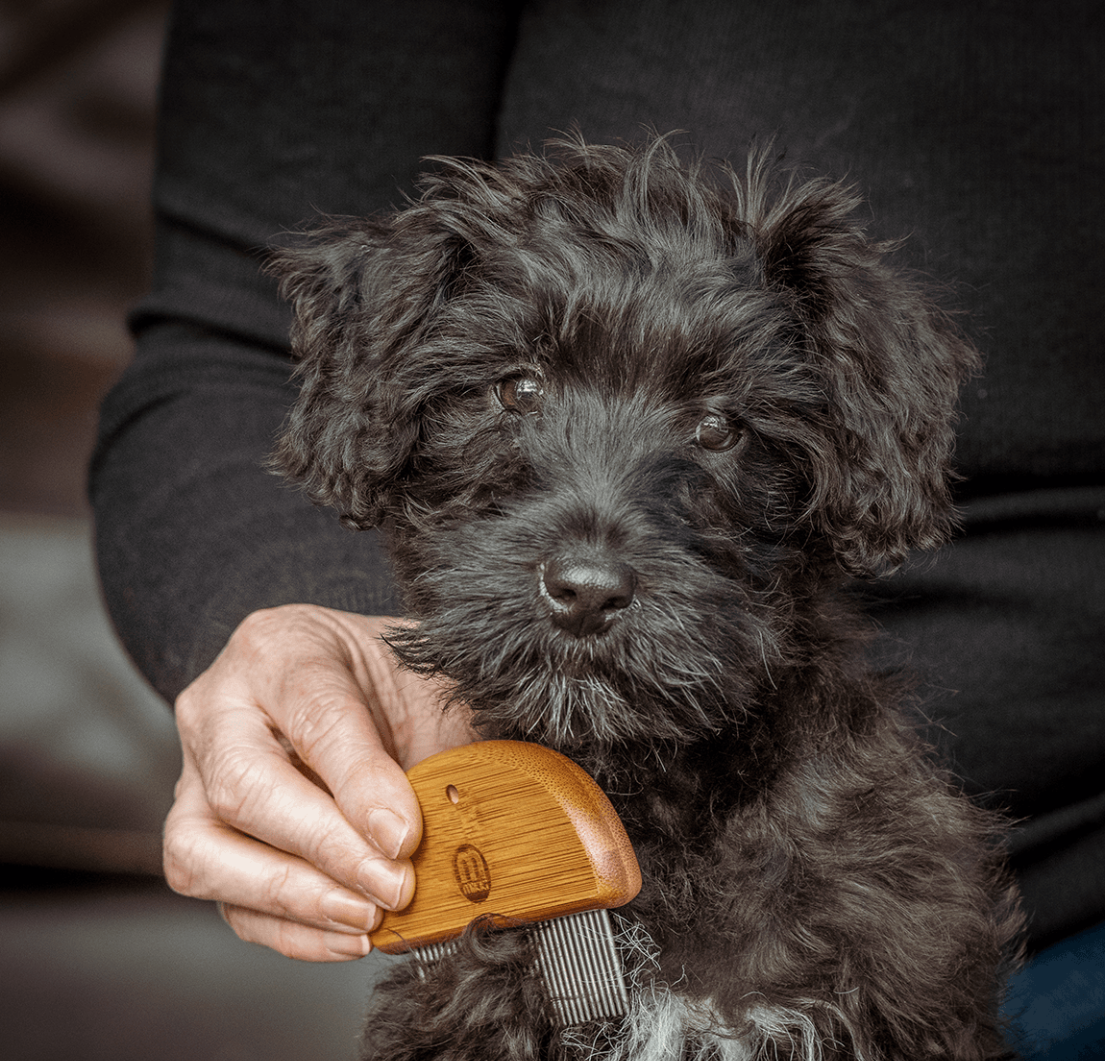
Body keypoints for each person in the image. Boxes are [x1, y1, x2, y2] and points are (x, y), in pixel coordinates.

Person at [92, 0, 1104, 973]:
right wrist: (298, 618)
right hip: (503, 849)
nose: (587, 565)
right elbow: (229, 348)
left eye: (712, 428)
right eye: (517, 390)